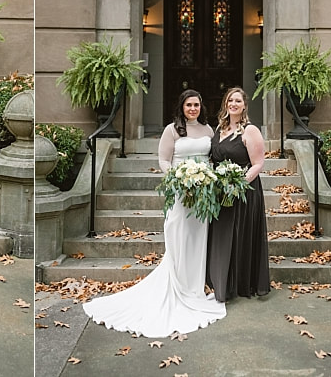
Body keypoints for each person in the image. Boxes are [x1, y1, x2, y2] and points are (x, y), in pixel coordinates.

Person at [82, 89, 226, 337]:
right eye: (189, 105)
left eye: (197, 105)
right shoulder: (172, 130)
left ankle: (194, 289)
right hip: (181, 194)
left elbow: (211, 160)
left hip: (203, 194)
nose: (193, 109)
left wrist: (209, 179)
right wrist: (178, 179)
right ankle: (179, 287)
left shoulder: (209, 130)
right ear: (181, 107)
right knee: (178, 236)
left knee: (198, 238)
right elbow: (164, 160)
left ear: (201, 107)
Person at [206, 87, 270, 301]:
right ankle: (220, 282)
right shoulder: (220, 128)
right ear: (226, 104)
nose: (233, 104)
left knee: (239, 235)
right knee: (222, 237)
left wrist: (238, 184)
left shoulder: (250, 131)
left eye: (238, 101)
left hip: (244, 192)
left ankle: (240, 283)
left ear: (244, 105)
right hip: (220, 192)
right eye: (230, 100)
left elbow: (258, 163)